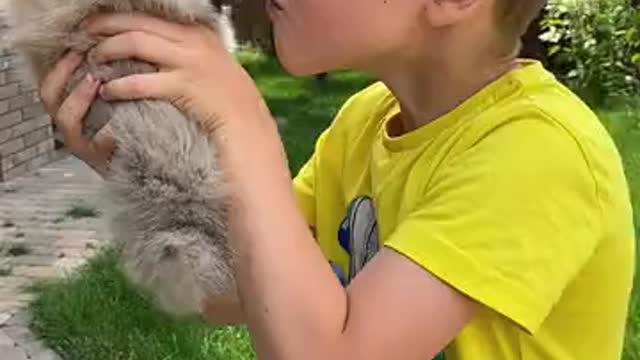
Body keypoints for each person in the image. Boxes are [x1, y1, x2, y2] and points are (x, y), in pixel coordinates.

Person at [38, 0, 635, 359]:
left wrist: (243, 126)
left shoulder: (541, 154)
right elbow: (237, 294)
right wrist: (149, 165)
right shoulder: (363, 122)